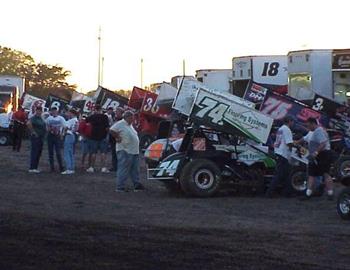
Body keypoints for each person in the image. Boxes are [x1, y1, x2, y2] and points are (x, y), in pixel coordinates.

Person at [110, 110, 144, 192]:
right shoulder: (121, 123)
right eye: (132, 118)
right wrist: (117, 137)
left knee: (134, 169)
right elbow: (111, 130)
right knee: (123, 168)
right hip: (125, 150)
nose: (133, 119)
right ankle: (120, 186)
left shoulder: (130, 125)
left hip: (133, 150)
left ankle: (137, 184)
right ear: (127, 117)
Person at [303, 117, 334, 200]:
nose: (308, 128)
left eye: (309, 125)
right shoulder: (315, 131)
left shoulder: (319, 130)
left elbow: (323, 143)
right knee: (311, 174)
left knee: (325, 174)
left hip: (322, 155)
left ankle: (330, 194)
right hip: (317, 155)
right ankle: (308, 194)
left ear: (313, 123)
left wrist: (316, 152)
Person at [266, 115, 295, 198]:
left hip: (279, 152)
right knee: (280, 174)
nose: (293, 123)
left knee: (285, 174)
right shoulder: (287, 130)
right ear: (289, 121)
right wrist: (297, 146)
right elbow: (289, 143)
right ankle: (270, 193)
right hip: (283, 154)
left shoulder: (280, 129)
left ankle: (287, 192)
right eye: (292, 122)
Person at [86, 104, 110, 173]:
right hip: (103, 136)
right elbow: (107, 127)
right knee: (103, 153)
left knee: (93, 153)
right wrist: (107, 135)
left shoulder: (92, 116)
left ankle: (91, 167)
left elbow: (86, 121)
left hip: (93, 137)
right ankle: (103, 168)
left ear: (95, 110)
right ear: (101, 109)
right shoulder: (105, 117)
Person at [46, 107, 66, 172]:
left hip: (57, 136)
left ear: (57, 111)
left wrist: (62, 134)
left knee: (58, 152)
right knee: (50, 152)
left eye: (55, 111)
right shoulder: (49, 118)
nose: (54, 112)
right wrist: (50, 129)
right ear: (51, 112)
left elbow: (64, 127)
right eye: (53, 111)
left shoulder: (61, 118)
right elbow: (47, 127)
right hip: (50, 136)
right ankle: (52, 167)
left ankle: (61, 166)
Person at [27, 107, 46, 173]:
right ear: (36, 111)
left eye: (40, 111)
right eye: (38, 111)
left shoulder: (41, 118)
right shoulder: (33, 118)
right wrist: (33, 132)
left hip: (41, 137)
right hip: (36, 137)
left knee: (38, 152)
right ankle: (32, 167)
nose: (39, 112)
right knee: (35, 152)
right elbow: (28, 123)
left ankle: (35, 167)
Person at [61, 109, 79, 175]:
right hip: (73, 135)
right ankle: (71, 168)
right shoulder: (76, 120)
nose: (68, 114)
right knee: (70, 152)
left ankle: (68, 168)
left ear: (72, 113)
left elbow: (66, 128)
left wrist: (62, 135)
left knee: (67, 152)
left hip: (69, 135)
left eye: (69, 113)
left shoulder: (71, 120)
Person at [110, 107, 124, 172]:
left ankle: (119, 167)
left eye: (117, 112)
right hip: (113, 139)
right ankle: (115, 166)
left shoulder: (122, 121)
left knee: (119, 154)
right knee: (114, 154)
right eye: (116, 112)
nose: (116, 113)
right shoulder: (115, 119)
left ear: (121, 113)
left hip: (119, 139)